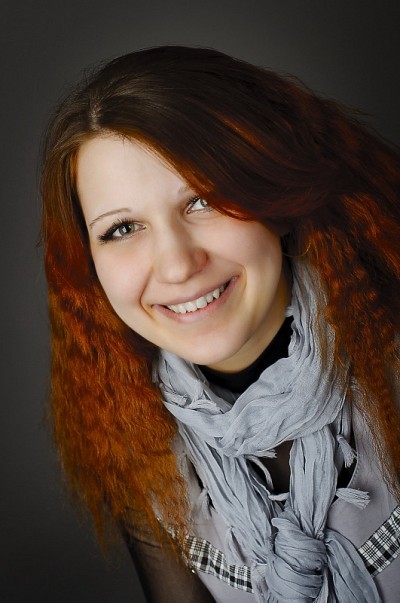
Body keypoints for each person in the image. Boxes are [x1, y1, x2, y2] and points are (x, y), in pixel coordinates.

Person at [40, 46, 400, 602]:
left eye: (203, 199)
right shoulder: (138, 450)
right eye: (122, 229)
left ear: (276, 195)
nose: (178, 265)